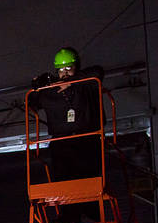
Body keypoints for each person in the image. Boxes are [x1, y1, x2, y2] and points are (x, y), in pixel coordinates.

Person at [30, 47, 106, 185]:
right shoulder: (51, 92)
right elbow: (31, 103)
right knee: (64, 182)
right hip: (61, 144)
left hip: (87, 140)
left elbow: (98, 72)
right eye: (60, 70)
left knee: (88, 182)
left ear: (76, 67)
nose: (64, 73)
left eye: (68, 68)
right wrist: (37, 85)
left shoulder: (86, 85)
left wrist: (72, 82)